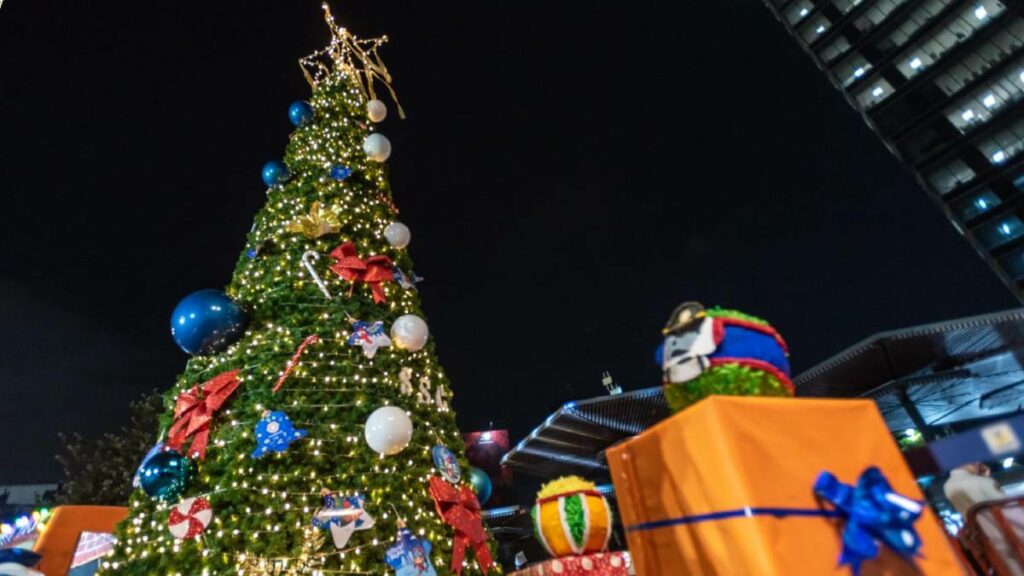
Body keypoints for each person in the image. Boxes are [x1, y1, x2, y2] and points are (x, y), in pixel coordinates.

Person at [945, 463, 1024, 575]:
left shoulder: (948, 486)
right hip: (1013, 538)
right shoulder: (981, 482)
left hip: (992, 544)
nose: (979, 464)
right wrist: (986, 480)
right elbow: (1011, 512)